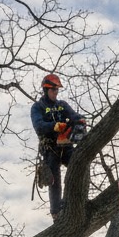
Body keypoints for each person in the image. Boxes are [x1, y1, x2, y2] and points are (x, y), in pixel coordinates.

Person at [30, 73, 84, 219]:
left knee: (80, 165)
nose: (55, 93)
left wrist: (80, 120)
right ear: (46, 90)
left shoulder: (62, 105)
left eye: (57, 90)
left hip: (65, 145)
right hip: (50, 148)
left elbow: (74, 116)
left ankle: (76, 200)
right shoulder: (38, 107)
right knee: (54, 181)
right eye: (53, 90)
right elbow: (38, 126)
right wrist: (54, 126)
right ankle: (56, 213)